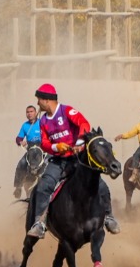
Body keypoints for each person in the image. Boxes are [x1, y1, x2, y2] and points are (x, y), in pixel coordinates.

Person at [27, 83, 120, 241]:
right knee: (43, 186)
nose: (37, 104)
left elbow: (84, 124)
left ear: (47, 100)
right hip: (58, 161)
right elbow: (44, 143)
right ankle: (39, 223)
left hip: (78, 160)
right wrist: (57, 146)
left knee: (101, 185)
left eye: (39, 100)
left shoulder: (66, 110)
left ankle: (109, 217)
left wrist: (77, 144)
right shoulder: (43, 121)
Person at [12, 105, 42, 198]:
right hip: (31, 150)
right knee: (21, 164)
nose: (29, 114)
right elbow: (18, 138)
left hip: (43, 150)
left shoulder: (42, 123)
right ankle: (18, 187)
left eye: (31, 111)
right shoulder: (25, 125)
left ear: (36, 113)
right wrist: (20, 142)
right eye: (27, 112)